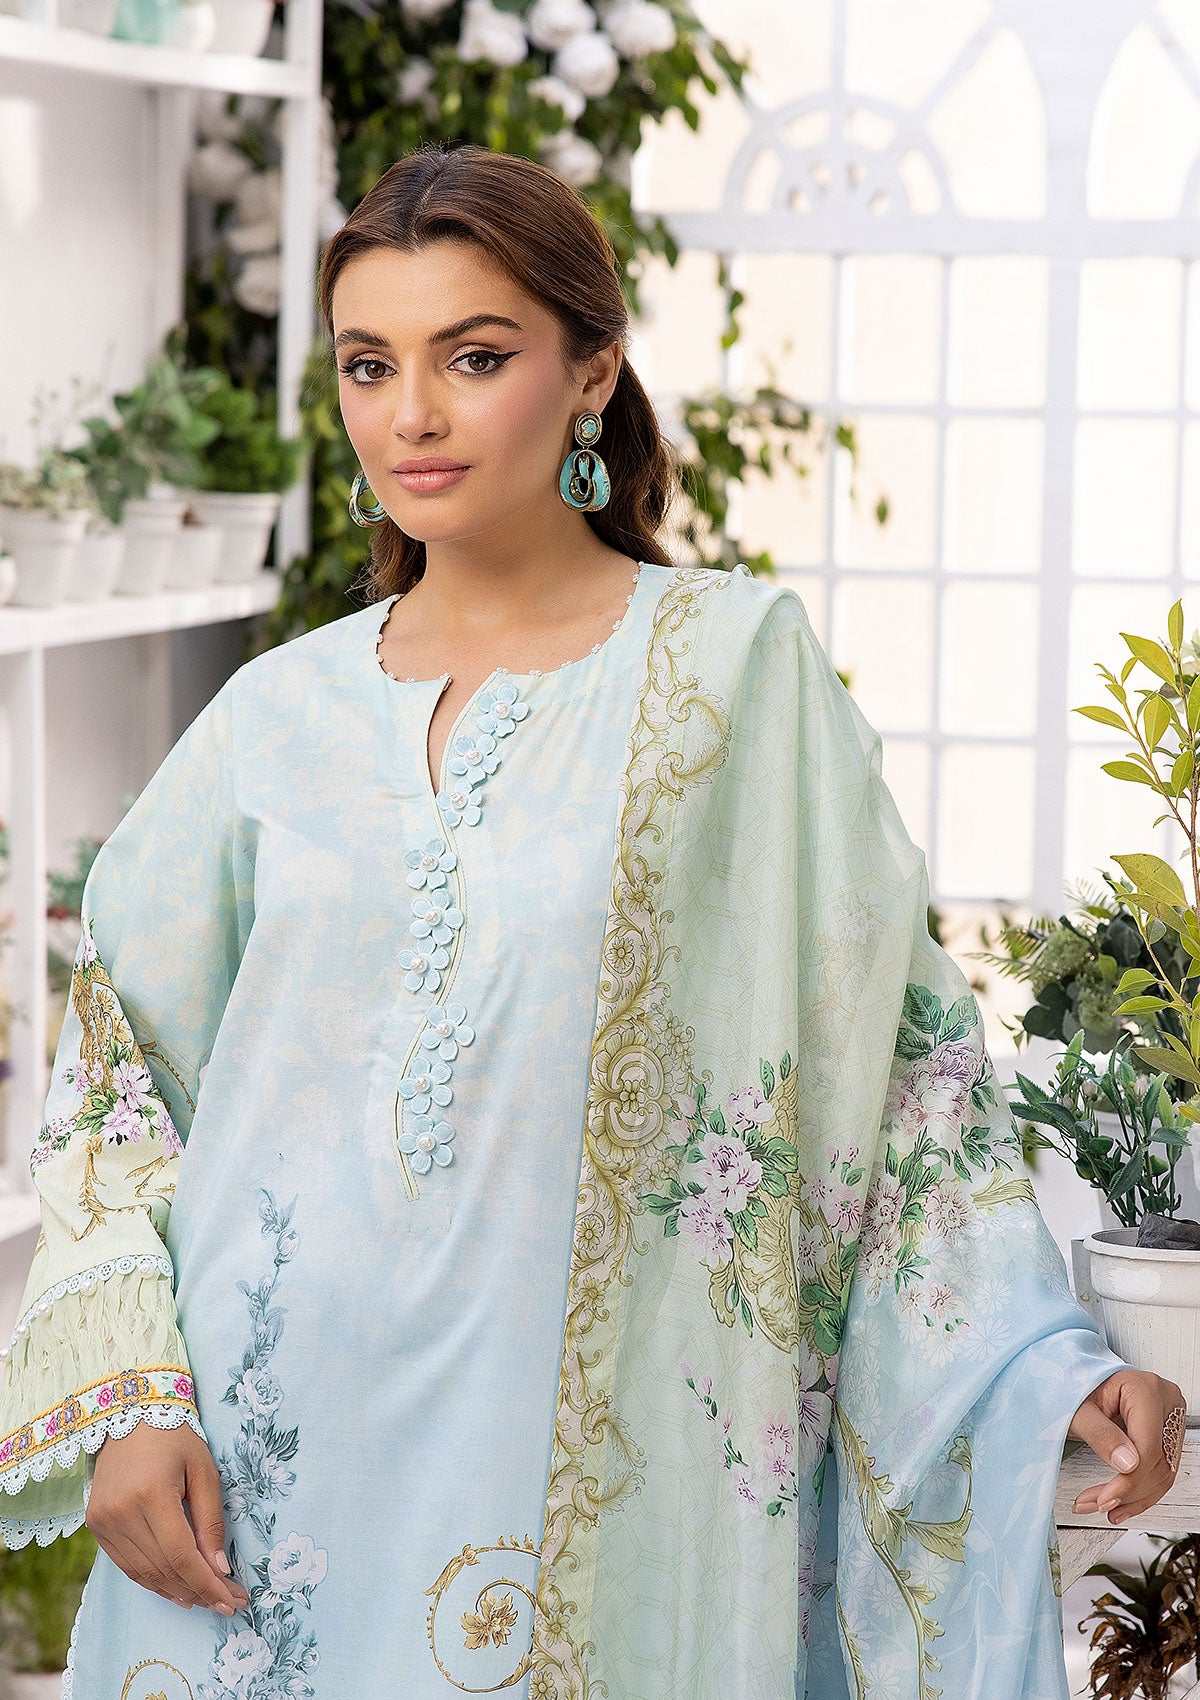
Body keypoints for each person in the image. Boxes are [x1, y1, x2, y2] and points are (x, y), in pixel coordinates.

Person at [0, 142, 1185, 1700]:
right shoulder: (268, 720)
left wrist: (1036, 1365)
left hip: (587, 1490)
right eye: (369, 365)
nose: (411, 416)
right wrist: (135, 1401)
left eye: (474, 357)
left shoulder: (732, 674)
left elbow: (897, 1071)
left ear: (591, 374)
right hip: (259, 1485)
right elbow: (119, 1080)